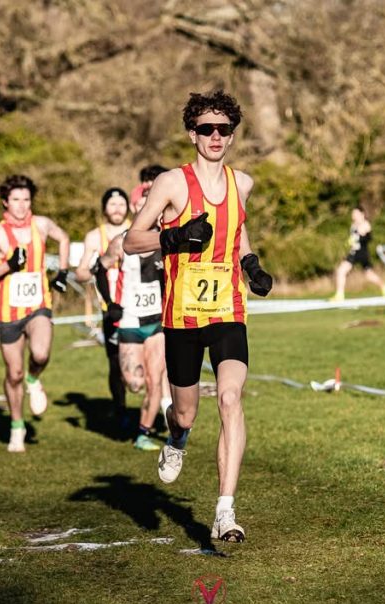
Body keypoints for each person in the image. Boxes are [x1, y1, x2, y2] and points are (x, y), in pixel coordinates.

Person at [124, 90, 274, 543]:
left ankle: (225, 511)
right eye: (206, 128)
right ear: (193, 133)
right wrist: (172, 237)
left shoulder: (242, 183)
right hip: (182, 315)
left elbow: (237, 230)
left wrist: (250, 266)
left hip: (227, 309)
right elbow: (132, 240)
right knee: (186, 413)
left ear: (231, 135)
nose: (215, 136)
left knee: (230, 399)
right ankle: (176, 440)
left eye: (223, 129)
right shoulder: (171, 183)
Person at [0, 175, 71, 453]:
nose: (21, 205)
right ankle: (17, 425)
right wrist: (7, 265)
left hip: (38, 304)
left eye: (26, 199)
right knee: (13, 372)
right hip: (8, 312)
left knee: (41, 354)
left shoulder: (40, 225)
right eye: (16, 199)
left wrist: (62, 272)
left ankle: (35, 378)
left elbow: (63, 238)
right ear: (5, 202)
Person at [96, 229, 171, 451]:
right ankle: (123, 405)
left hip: (157, 322)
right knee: (135, 383)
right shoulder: (121, 242)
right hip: (129, 321)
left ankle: (143, 433)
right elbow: (99, 268)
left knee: (154, 379)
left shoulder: (165, 239)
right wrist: (110, 304)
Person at [74, 188, 131, 429]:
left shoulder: (139, 228)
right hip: (112, 307)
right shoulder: (95, 236)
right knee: (115, 362)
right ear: (104, 208)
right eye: (112, 204)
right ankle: (121, 409)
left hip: (141, 302)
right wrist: (99, 268)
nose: (117, 208)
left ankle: (154, 412)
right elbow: (80, 272)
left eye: (121, 203)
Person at [330, 206, 385, 302]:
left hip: (361, 253)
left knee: (343, 270)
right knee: (366, 274)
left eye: (355, 213)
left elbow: (368, 238)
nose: (353, 216)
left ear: (362, 214)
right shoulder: (353, 225)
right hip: (354, 252)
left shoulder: (365, 225)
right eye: (353, 214)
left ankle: (340, 294)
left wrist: (360, 237)